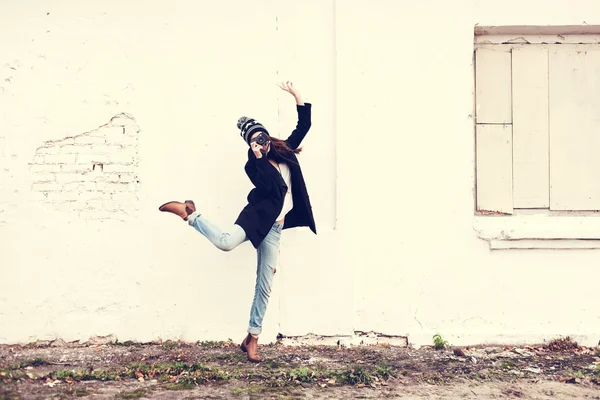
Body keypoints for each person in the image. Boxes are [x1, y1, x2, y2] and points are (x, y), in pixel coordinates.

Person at [158, 81, 316, 362]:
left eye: (262, 138)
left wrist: (297, 96)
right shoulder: (252, 165)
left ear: (268, 137)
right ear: (250, 144)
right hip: (255, 219)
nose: (261, 143)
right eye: (255, 141)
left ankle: (252, 338)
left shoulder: (284, 150)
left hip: (275, 229)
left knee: (265, 285)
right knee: (226, 242)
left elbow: (304, 126)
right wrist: (258, 157)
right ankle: (189, 213)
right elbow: (271, 187)